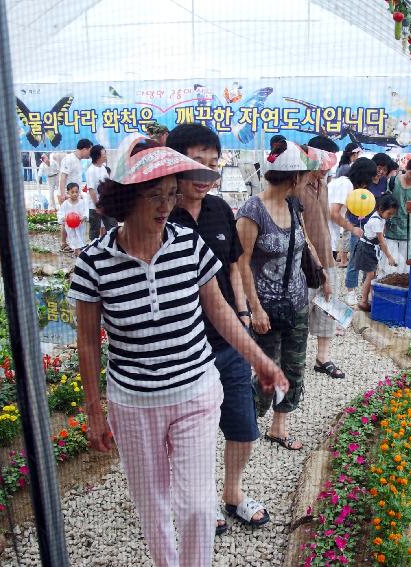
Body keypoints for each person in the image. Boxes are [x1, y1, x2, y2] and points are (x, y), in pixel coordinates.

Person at [70, 136, 287, 567]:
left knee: (197, 508)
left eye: (170, 194)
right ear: (125, 196)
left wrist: (261, 361)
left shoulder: (188, 247)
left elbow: (220, 311)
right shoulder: (92, 263)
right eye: (154, 195)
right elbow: (88, 341)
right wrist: (93, 409)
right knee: (153, 509)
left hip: (195, 393)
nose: (165, 206)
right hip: (133, 405)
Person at [165, 123, 269, 534]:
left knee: (241, 423)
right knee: (191, 435)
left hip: (227, 342)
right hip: (182, 350)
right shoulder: (157, 213)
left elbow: (234, 266)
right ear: (175, 164)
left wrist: (243, 316)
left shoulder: (220, 210)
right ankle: (198, 501)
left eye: (213, 165)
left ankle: (233, 493)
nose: (207, 174)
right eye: (197, 164)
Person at [236, 141, 334, 451]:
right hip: (265, 306)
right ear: (294, 178)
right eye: (305, 176)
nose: (308, 180)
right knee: (268, 370)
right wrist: (254, 309)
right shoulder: (252, 211)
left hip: (296, 303)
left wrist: (321, 271)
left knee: (294, 367)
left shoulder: (294, 205)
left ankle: (279, 428)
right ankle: (244, 422)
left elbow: (304, 241)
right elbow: (241, 263)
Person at [297, 135, 344, 379]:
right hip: (303, 259)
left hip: (327, 253)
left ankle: (322, 358)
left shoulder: (324, 184)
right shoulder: (296, 185)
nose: (327, 171)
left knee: (327, 307)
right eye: (325, 165)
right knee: (301, 308)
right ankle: (296, 358)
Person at [328, 157, 378, 306]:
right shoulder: (347, 185)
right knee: (327, 280)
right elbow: (334, 213)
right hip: (326, 235)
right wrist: (352, 229)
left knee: (328, 280)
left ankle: (328, 319)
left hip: (328, 234)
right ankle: (327, 319)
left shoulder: (341, 181)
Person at [351, 194, 399, 312]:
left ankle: (369, 298)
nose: (390, 216)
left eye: (392, 214)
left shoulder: (380, 217)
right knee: (370, 275)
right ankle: (363, 301)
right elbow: (381, 241)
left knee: (371, 274)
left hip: (370, 249)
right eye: (389, 213)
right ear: (381, 209)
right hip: (366, 249)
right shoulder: (376, 221)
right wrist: (389, 257)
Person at [381, 156, 411, 274]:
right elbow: (384, 204)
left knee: (405, 268)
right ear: (406, 168)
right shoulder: (392, 182)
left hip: (408, 233)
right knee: (389, 265)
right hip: (390, 230)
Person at [58, 139, 92, 248]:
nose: (90, 154)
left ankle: (76, 243)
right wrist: (63, 195)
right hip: (68, 194)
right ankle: (63, 244)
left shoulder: (78, 160)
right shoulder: (69, 159)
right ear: (84, 149)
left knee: (76, 218)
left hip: (76, 194)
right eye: (89, 151)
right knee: (66, 219)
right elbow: (63, 177)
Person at [85, 144, 117, 239]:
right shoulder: (90, 171)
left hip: (106, 203)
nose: (105, 156)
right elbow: (91, 190)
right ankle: (93, 249)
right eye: (104, 154)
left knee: (112, 226)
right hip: (95, 206)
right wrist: (97, 205)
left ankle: (112, 245)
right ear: (98, 156)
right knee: (95, 229)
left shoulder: (103, 168)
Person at [57, 182, 88, 254]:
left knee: (80, 236)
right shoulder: (66, 203)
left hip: (80, 224)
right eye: (72, 192)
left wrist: (84, 217)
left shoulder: (81, 202)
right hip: (70, 225)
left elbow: (86, 211)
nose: (75, 194)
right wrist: (63, 218)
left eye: (77, 192)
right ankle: (76, 250)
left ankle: (77, 249)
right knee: (72, 236)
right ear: (68, 192)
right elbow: (60, 213)